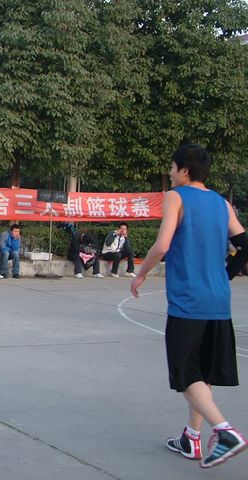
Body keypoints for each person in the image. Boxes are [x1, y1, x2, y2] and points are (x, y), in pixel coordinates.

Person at [131, 144, 248, 469]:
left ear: (184, 169)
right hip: (218, 300)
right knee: (201, 372)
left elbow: (162, 244)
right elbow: (244, 243)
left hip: (189, 301)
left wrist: (141, 273)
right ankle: (191, 438)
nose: (170, 173)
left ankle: (225, 432)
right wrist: (227, 274)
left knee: (185, 373)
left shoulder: (176, 197)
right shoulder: (222, 203)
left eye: (172, 167)